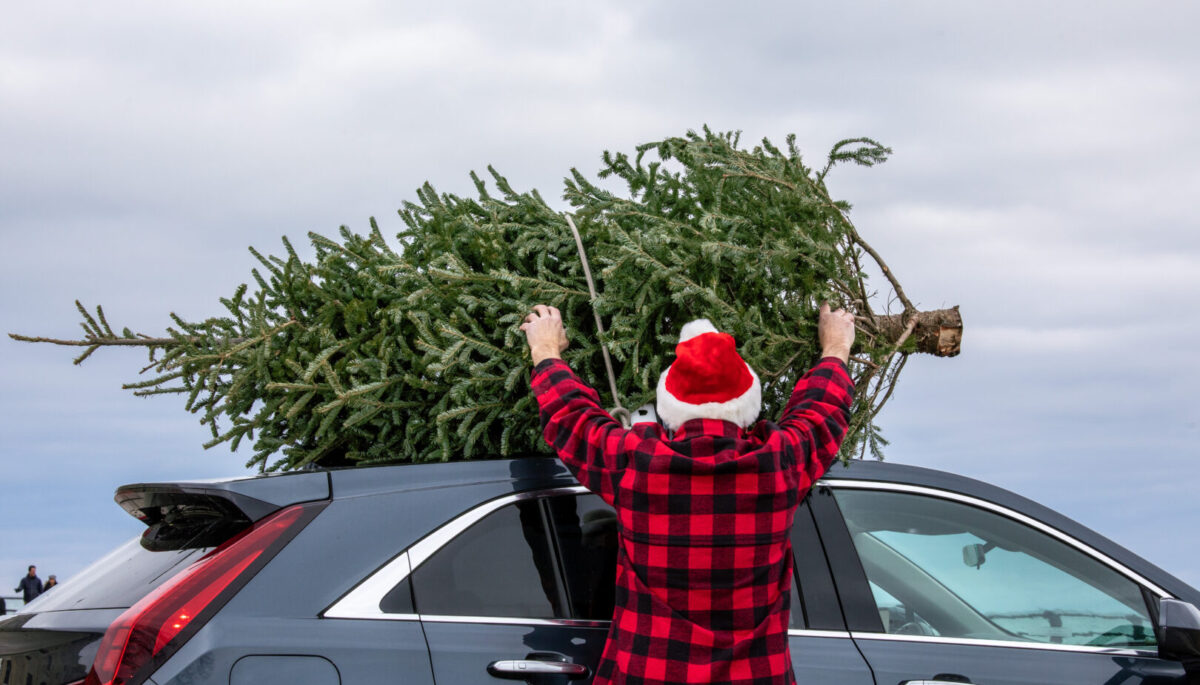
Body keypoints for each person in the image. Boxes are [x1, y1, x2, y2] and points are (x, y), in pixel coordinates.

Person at [521, 303, 856, 685]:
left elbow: (573, 417)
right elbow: (821, 412)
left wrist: (546, 351)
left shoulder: (639, 465)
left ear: (670, 409)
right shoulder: (778, 465)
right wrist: (836, 347)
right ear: (747, 406)